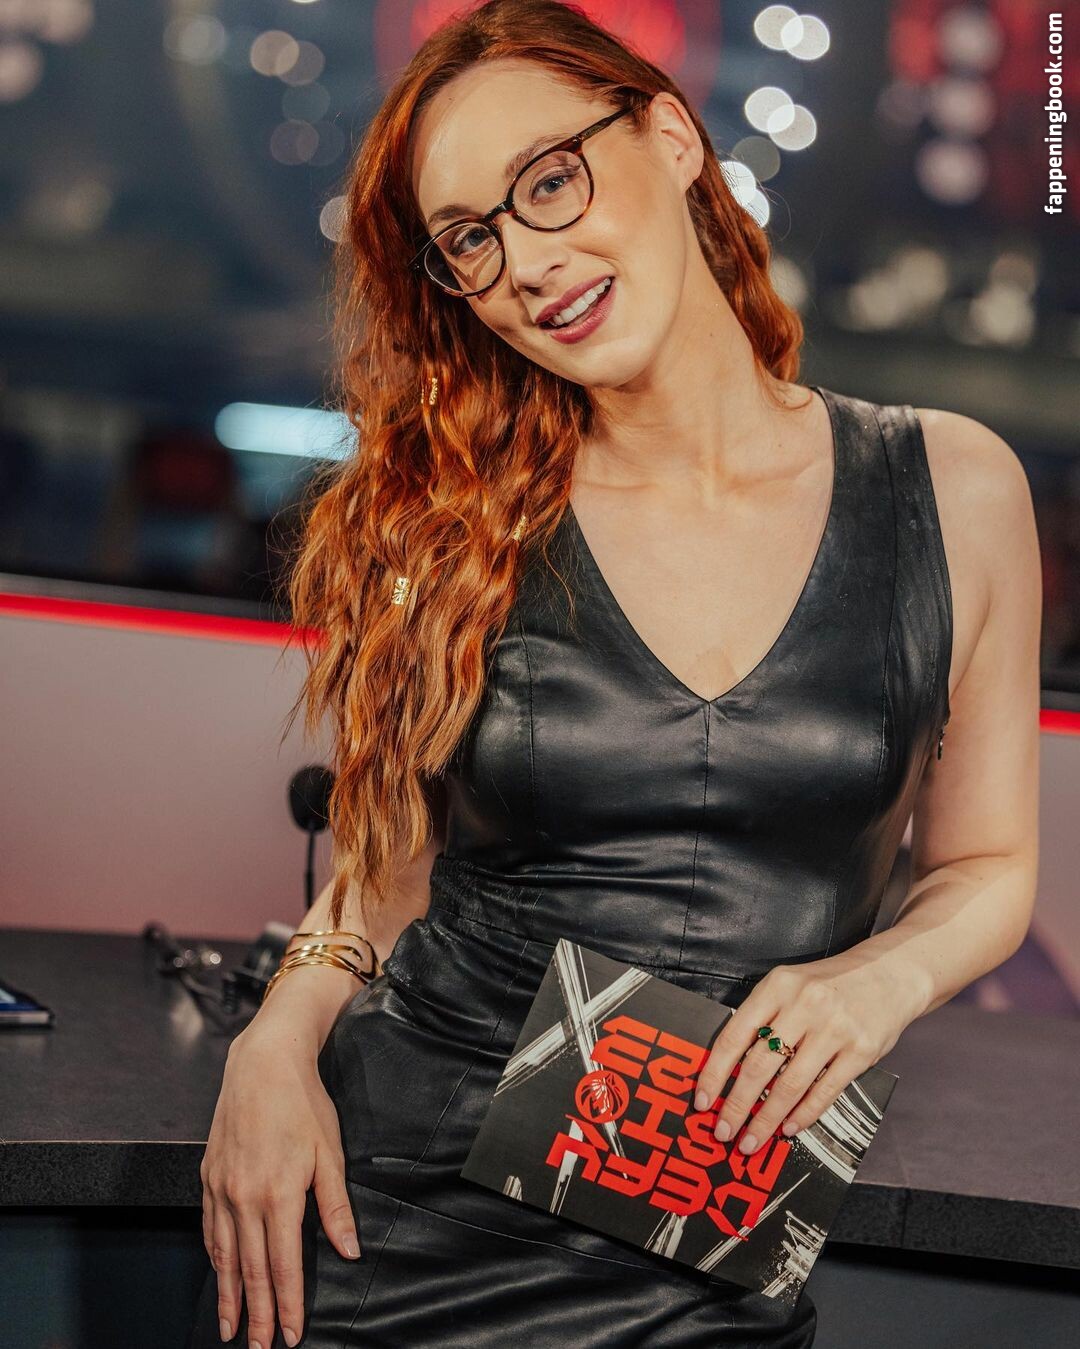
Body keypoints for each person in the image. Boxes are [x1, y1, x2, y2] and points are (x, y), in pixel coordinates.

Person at [188, 1, 1042, 1345]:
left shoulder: (955, 488)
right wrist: (275, 1042)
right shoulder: (457, 517)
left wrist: (879, 979)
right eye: (472, 238)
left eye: (550, 181)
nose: (528, 262)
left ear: (673, 138)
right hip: (397, 1224)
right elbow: (387, 877)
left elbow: (988, 866)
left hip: (716, 1240)